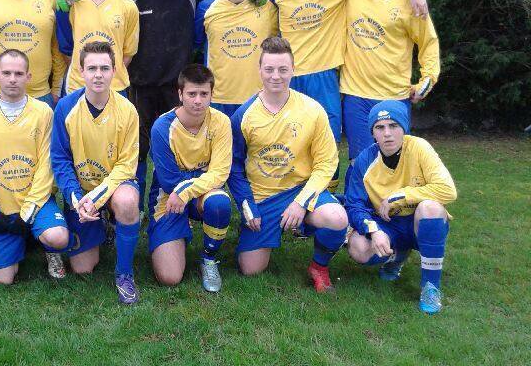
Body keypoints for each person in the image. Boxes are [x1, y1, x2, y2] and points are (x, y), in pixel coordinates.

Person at [266, 0, 428, 187]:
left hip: (324, 76)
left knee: (327, 142)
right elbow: (255, 6)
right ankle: (286, 197)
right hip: (288, 78)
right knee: (288, 140)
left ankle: (326, 197)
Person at [228, 37, 348, 293]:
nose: (276, 76)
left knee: (337, 218)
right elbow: (234, 168)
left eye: (283, 69)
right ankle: (259, 230)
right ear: (260, 70)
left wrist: (301, 202)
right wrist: (248, 206)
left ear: (293, 69)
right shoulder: (244, 115)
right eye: (269, 69)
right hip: (263, 198)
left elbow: (327, 162)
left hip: (300, 190)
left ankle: (319, 266)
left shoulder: (312, 110)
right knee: (250, 269)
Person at [0, 49, 71, 284]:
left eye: (19, 73)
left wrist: (28, 212)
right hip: (1, 206)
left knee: (58, 237)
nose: (13, 79)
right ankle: (24, 240)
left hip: (37, 202)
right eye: (7, 73)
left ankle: (49, 248)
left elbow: (47, 167)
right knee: (2, 279)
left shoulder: (44, 112)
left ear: (28, 77)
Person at [345, 100, 456, 314]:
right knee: (358, 248)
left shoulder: (419, 148)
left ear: (404, 127)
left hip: (419, 222)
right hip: (388, 224)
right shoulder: (364, 161)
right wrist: (373, 230)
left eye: (393, 126)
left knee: (431, 208)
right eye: (380, 127)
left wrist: (401, 196)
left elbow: (448, 190)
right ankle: (397, 257)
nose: (387, 133)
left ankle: (430, 287)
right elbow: (354, 205)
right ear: (373, 133)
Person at [51, 41, 141, 304]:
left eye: (104, 68)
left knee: (127, 202)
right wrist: (76, 198)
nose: (98, 75)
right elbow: (60, 160)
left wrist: (97, 198)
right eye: (92, 68)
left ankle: (124, 274)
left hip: (115, 186)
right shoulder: (66, 108)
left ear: (114, 71)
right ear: (81, 71)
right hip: (81, 192)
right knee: (83, 268)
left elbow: (126, 165)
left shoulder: (127, 110)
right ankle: (103, 225)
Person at [119, 0, 203, 212]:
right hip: (140, 85)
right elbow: (104, 3)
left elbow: (218, 6)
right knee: (138, 148)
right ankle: (136, 206)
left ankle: (168, 203)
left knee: (174, 147)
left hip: (175, 87)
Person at [341, 0, 440, 162]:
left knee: (395, 163)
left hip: (395, 96)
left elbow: (428, 43)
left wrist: (427, 80)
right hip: (356, 97)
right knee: (360, 162)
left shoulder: (411, 3)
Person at [147, 64, 232, 292]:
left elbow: (220, 173)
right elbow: (169, 182)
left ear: (212, 94)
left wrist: (186, 191)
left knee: (219, 203)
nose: (198, 101)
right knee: (170, 277)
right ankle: (177, 231)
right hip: (169, 198)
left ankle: (209, 258)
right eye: (192, 94)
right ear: (180, 94)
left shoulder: (222, 122)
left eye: (204, 94)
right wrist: (184, 191)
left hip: (198, 194)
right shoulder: (162, 127)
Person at [194, 0, 279, 118]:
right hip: (218, 97)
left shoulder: (267, 7)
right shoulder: (206, 8)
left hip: (259, 97)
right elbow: (195, 44)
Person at [54, 0, 140, 96]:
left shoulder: (128, 6)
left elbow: (128, 53)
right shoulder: (70, 3)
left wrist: (107, 76)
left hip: (115, 87)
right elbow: (66, 49)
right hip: (77, 87)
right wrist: (85, 75)